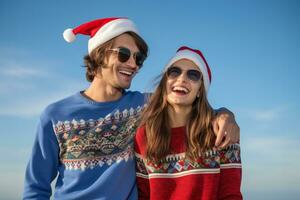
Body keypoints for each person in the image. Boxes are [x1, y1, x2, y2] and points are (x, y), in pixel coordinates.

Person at [23, 17, 240, 200]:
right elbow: (36, 189)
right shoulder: (55, 116)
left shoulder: (143, 105)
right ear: (100, 54)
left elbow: (187, 98)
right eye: (124, 54)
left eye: (139, 58)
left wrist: (225, 115)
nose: (134, 64)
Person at [135, 46, 242, 200]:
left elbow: (230, 195)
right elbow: (143, 195)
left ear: (200, 91)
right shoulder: (145, 134)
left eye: (193, 75)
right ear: (165, 82)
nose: (182, 78)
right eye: (174, 71)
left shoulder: (221, 131)